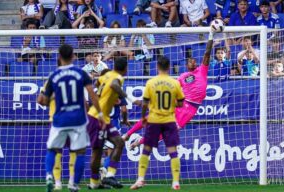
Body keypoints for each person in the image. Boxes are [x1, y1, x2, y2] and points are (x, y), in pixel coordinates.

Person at [123, 30, 215, 149]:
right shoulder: (183, 77)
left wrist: (211, 35)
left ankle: (138, 142)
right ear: (186, 65)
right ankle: (127, 134)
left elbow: (207, 53)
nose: (192, 62)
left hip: (190, 110)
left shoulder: (202, 71)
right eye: (189, 61)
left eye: (194, 60)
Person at [37, 44, 104, 192]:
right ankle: (73, 183)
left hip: (58, 119)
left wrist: (53, 97)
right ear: (73, 55)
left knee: (53, 150)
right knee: (78, 152)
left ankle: (53, 179)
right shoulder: (81, 74)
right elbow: (91, 95)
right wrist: (99, 114)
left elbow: (42, 100)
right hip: (78, 120)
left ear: (59, 57)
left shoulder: (53, 76)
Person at [130, 56, 185, 190]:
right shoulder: (175, 83)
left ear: (157, 67)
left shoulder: (150, 83)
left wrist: (143, 117)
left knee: (146, 150)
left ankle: (140, 179)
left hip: (154, 120)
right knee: (173, 151)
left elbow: (144, 103)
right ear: (169, 67)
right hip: (169, 121)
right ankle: (175, 182)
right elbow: (181, 103)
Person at [86, 57, 141, 189]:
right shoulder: (118, 78)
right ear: (125, 69)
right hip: (97, 119)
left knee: (116, 144)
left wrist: (104, 96)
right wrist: (132, 99)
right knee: (100, 151)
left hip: (102, 117)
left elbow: (97, 87)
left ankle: (103, 179)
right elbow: (114, 85)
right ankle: (101, 179)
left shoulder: (105, 75)